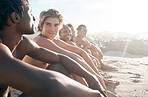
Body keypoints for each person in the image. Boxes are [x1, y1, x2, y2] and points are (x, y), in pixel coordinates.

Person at [0, 0, 105, 97]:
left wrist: (92, 78)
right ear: (16, 17)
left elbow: (61, 58)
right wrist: (93, 94)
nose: (34, 18)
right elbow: (52, 84)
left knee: (58, 68)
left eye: (56, 25)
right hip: (46, 85)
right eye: (30, 12)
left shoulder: (23, 44)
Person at [23, 9, 118, 97]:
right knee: (64, 64)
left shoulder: (52, 40)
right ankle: (92, 93)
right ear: (41, 25)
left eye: (56, 25)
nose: (52, 29)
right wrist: (95, 78)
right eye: (48, 24)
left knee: (70, 65)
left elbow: (80, 52)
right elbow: (72, 57)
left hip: (41, 80)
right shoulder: (41, 40)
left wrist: (98, 77)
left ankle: (93, 91)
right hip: (28, 85)